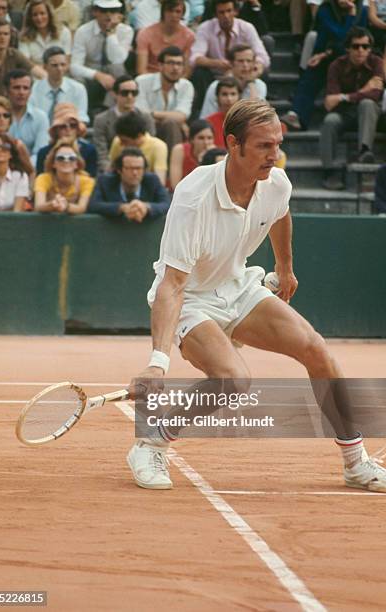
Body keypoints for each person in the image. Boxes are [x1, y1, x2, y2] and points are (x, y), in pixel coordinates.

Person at [126, 98, 386, 495]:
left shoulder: (275, 182)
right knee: (233, 379)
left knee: (317, 351)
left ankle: (355, 463)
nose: (274, 155)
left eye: (278, 144)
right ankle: (150, 443)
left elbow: (280, 212)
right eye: (264, 146)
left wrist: (284, 266)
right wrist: (158, 363)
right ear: (234, 144)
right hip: (192, 299)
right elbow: (173, 284)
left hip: (239, 286)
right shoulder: (193, 196)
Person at [281, 0, 369, 131]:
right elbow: (338, 36)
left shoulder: (362, 11)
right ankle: (296, 115)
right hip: (330, 56)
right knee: (313, 70)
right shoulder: (325, 9)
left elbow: (356, 42)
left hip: (354, 59)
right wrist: (324, 54)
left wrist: (351, 16)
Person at [320, 27, 384, 190]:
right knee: (329, 121)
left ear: (370, 48)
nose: (361, 51)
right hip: (345, 114)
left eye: (365, 47)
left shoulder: (377, 63)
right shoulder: (336, 65)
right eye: (356, 46)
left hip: (371, 115)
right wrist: (362, 91)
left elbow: (375, 95)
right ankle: (328, 171)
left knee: (367, 104)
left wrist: (344, 97)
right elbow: (329, 103)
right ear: (348, 48)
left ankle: (364, 151)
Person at [189, 0, 270, 114]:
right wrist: (218, 63)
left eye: (229, 11)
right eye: (221, 12)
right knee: (199, 72)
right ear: (215, 14)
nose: (226, 16)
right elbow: (195, 58)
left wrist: (255, 71)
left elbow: (263, 57)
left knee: (262, 73)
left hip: (243, 73)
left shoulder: (246, 27)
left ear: (236, 11)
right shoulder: (205, 27)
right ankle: (201, 109)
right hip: (215, 74)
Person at [70, 0, 133, 113]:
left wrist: (111, 33)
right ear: (95, 12)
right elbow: (74, 66)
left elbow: (117, 59)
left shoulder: (126, 31)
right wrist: (98, 75)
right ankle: (80, 115)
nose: (109, 15)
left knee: (117, 69)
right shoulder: (83, 31)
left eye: (113, 11)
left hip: (115, 75)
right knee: (77, 80)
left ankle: (107, 112)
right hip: (91, 75)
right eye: (104, 11)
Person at [135, 46, 194, 154]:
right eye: (171, 63)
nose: (175, 68)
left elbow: (182, 116)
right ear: (160, 66)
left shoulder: (186, 86)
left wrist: (153, 113)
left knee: (171, 123)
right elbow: (142, 115)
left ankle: (172, 166)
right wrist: (177, 120)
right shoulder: (142, 82)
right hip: (144, 129)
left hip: (171, 130)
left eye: (179, 64)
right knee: (169, 122)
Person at [93, 74, 155, 174]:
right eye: (125, 93)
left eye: (134, 93)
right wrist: (109, 172)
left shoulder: (146, 118)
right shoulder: (101, 120)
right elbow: (101, 152)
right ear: (114, 94)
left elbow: (150, 145)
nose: (130, 97)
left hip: (141, 166)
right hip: (113, 166)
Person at [88, 147, 170, 220]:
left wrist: (145, 207)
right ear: (119, 170)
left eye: (139, 168)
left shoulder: (152, 180)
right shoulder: (105, 181)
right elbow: (94, 205)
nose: (135, 173)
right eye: (130, 168)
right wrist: (122, 208)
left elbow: (166, 204)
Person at [0, 18, 44, 106]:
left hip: (15, 107)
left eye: (6, 34)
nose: (2, 37)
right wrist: (5, 102)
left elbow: (41, 75)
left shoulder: (14, 54)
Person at [200, 43, 267, 118]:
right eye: (240, 61)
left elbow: (257, 115)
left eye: (249, 61)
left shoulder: (259, 85)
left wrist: (251, 82)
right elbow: (207, 117)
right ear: (231, 63)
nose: (245, 65)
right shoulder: (215, 86)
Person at [29, 46, 89, 124]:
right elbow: (30, 117)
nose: (59, 69)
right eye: (54, 65)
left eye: (63, 65)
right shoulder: (34, 88)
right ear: (45, 67)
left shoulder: (78, 89)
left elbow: (82, 118)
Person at [34, 138, 95, 214]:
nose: (66, 161)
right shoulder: (43, 178)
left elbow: (82, 208)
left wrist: (66, 206)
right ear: (53, 163)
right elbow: (38, 206)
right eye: (60, 158)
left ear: (77, 164)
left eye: (71, 158)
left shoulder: (88, 181)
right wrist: (52, 205)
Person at [136, 0, 195, 75]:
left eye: (178, 11)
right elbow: (141, 70)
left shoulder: (189, 36)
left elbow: (186, 71)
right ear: (163, 12)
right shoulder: (145, 34)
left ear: (182, 15)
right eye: (170, 11)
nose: (173, 15)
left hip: (177, 80)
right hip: (150, 78)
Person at [0, 95, 34, 176]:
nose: (2, 119)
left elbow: (31, 172)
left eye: (6, 115)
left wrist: (27, 187)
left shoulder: (17, 146)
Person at [36, 104, 97, 176]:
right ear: (56, 130)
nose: (68, 129)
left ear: (78, 129)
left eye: (73, 125)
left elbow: (91, 180)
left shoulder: (89, 151)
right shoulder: (44, 153)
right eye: (62, 126)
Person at [109, 111, 168, 185]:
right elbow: (110, 170)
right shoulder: (117, 141)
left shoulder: (158, 147)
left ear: (139, 136)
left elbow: (160, 181)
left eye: (125, 141)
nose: (121, 144)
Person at [5, 69, 49, 166]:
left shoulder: (41, 117)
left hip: (31, 169)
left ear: (30, 92)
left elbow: (40, 152)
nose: (21, 92)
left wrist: (25, 167)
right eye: (16, 88)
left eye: (25, 88)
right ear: (6, 91)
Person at [18, 0, 71, 66]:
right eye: (35, 15)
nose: (39, 18)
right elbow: (25, 63)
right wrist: (44, 74)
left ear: (49, 14)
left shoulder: (64, 32)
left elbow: (67, 60)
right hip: (35, 74)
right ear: (30, 18)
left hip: (59, 72)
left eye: (42, 13)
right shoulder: (24, 36)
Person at [169, 119, 215, 189]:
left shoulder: (217, 155)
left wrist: (207, 159)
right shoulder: (180, 150)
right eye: (201, 138)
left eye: (209, 138)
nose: (206, 142)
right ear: (191, 139)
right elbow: (175, 185)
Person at [205, 76, 241, 146]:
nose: (229, 99)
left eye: (233, 94)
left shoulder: (247, 122)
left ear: (239, 97)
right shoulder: (208, 122)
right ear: (217, 97)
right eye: (224, 94)